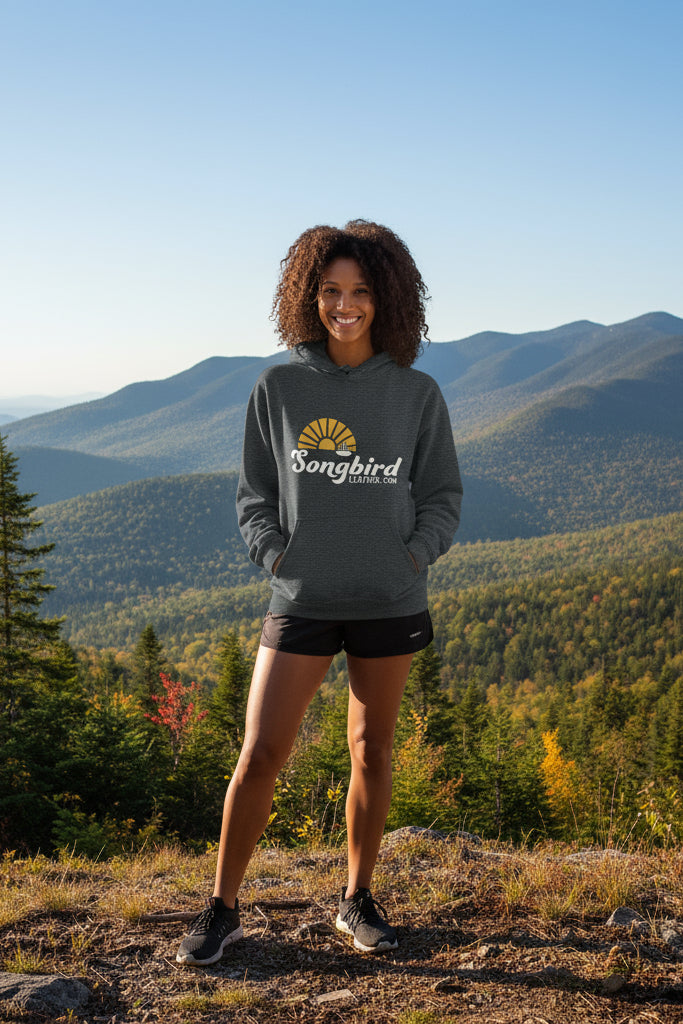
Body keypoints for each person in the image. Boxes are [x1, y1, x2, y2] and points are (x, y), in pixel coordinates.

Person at [176, 220, 462, 965]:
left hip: (388, 601)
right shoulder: (279, 387)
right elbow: (254, 493)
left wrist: (414, 555)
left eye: (361, 292)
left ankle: (355, 898)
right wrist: (274, 554)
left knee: (371, 750)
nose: (345, 306)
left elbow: (440, 494)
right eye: (331, 291)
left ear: (386, 299)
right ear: (308, 296)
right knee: (261, 751)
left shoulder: (415, 393)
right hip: (300, 599)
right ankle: (221, 908)